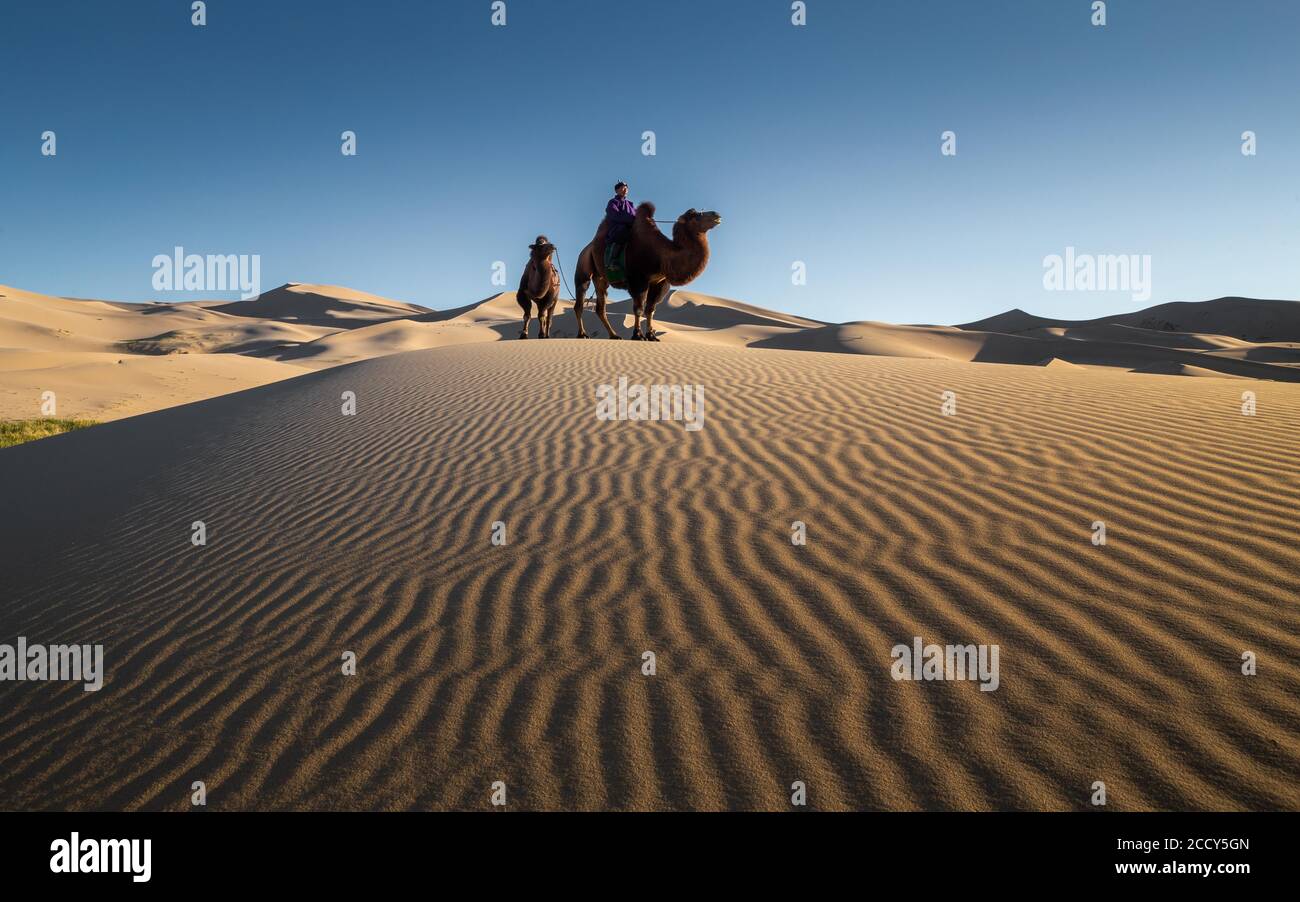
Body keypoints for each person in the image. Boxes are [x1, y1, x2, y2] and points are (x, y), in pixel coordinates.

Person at [604, 181, 636, 264]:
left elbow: (636, 215)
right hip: (617, 228)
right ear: (617, 190)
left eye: (626, 188)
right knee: (623, 232)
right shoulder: (613, 202)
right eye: (622, 187)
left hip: (631, 227)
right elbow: (614, 214)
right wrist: (630, 220)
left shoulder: (631, 204)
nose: (625, 189)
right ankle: (613, 260)